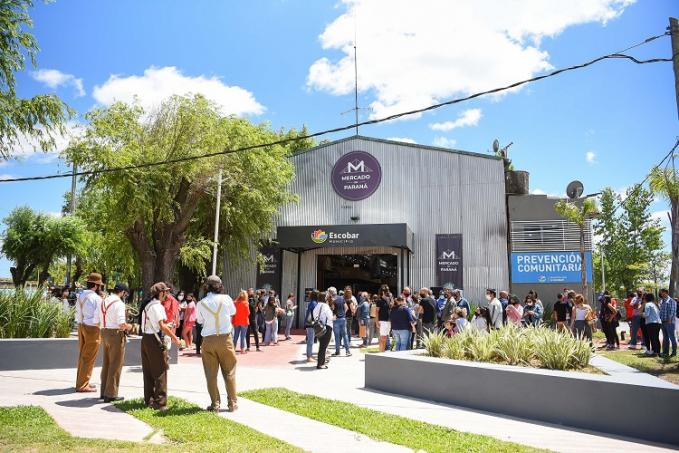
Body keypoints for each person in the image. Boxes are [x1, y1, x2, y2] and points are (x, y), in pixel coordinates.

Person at [196, 275, 238, 413]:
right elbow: (233, 312)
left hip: (208, 340)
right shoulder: (226, 299)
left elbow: (200, 321)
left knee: (211, 374)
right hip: (225, 339)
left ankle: (215, 404)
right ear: (220, 286)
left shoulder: (201, 303)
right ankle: (232, 403)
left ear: (206, 286)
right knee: (229, 371)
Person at [141, 282, 181, 411]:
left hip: (146, 339)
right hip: (154, 340)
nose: (167, 295)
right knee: (160, 371)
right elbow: (162, 326)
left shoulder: (148, 305)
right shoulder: (158, 307)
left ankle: (149, 399)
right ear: (161, 293)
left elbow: (156, 324)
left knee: (148, 371)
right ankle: (160, 403)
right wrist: (175, 339)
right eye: (166, 292)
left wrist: (165, 326)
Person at [94, 283, 131, 402]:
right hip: (115, 333)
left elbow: (96, 321)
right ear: (123, 292)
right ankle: (111, 394)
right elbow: (122, 323)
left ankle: (104, 392)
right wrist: (130, 327)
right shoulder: (119, 304)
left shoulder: (103, 301)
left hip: (103, 332)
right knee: (116, 364)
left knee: (106, 363)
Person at [75, 272, 105, 393]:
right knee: (89, 357)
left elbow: (77, 312)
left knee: (83, 356)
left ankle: (82, 381)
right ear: (96, 286)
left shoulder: (80, 295)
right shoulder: (96, 298)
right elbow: (99, 316)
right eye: (100, 285)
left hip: (81, 326)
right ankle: (82, 385)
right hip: (92, 328)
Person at [313, 292, 334, 369]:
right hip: (326, 327)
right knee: (323, 347)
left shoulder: (316, 306)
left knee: (322, 346)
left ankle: (321, 362)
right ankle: (320, 364)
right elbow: (330, 317)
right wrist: (334, 317)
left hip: (318, 328)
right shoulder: (325, 306)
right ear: (324, 298)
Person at [331, 287, 351, 356]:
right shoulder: (341, 298)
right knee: (345, 335)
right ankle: (348, 351)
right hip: (343, 319)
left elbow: (333, 309)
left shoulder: (332, 300)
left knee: (337, 336)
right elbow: (346, 308)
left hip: (336, 319)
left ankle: (337, 352)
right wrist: (343, 314)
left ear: (331, 293)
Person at [659, 288, 677, 357]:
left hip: (669, 322)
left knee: (672, 337)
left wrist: (669, 319)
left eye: (662, 293)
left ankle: (674, 352)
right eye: (661, 293)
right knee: (665, 338)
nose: (661, 294)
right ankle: (665, 352)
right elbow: (661, 311)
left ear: (666, 293)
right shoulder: (662, 301)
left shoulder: (671, 301)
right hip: (663, 322)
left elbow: (672, 311)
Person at [642, 292, 661, 357]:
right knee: (656, 338)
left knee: (652, 338)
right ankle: (658, 352)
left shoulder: (647, 304)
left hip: (651, 323)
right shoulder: (654, 304)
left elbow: (647, 314)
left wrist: (642, 314)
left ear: (646, 298)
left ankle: (654, 352)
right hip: (658, 323)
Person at [376, 285, 393, 352]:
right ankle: (381, 352)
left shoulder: (389, 300)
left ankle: (383, 352)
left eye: (388, 290)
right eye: (386, 291)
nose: (387, 292)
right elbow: (376, 312)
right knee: (382, 338)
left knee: (385, 337)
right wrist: (377, 322)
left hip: (388, 321)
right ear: (382, 292)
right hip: (382, 321)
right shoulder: (379, 300)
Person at [304, 291, 319, 362]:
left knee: (311, 340)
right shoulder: (314, 303)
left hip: (309, 323)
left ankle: (309, 355)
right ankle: (309, 357)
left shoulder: (312, 302)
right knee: (310, 341)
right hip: (311, 324)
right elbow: (315, 314)